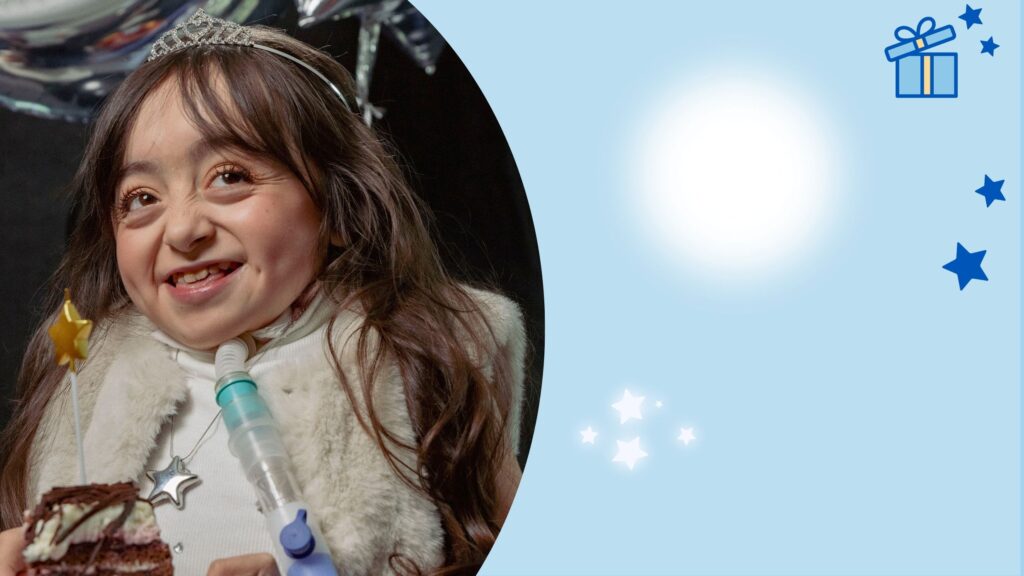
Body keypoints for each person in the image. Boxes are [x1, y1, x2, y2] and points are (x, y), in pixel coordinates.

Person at [0, 10, 526, 576]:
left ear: (337, 207)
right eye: (142, 198)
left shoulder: (424, 360)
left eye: (230, 176)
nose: (183, 230)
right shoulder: (83, 379)